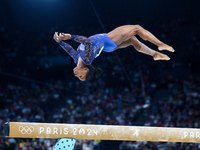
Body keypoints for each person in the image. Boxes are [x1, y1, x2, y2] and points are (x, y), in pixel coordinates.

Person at [53, 25, 174, 81]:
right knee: (136, 29)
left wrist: (59, 42)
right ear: (86, 70)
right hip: (109, 40)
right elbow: (88, 43)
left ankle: (154, 54)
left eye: (79, 77)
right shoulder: (87, 59)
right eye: (80, 76)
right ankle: (160, 45)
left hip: (106, 46)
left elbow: (70, 50)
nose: (76, 75)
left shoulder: (77, 60)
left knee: (132, 40)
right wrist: (71, 37)